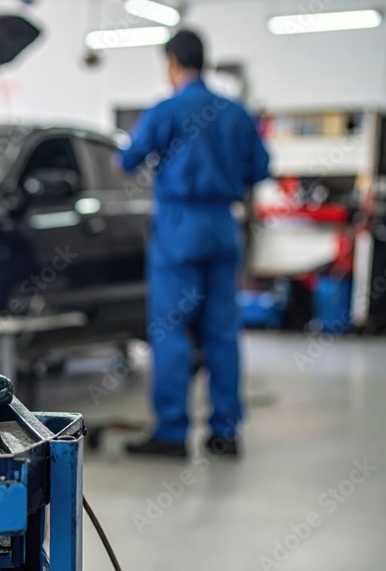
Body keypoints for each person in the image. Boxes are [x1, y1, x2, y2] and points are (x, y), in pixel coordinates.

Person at [118, 29, 270, 458]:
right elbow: (260, 168)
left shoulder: (167, 109)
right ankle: (225, 431)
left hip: (179, 226)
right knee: (222, 329)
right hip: (224, 224)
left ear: (171, 62)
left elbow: (128, 160)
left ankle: (172, 432)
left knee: (171, 331)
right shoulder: (236, 112)